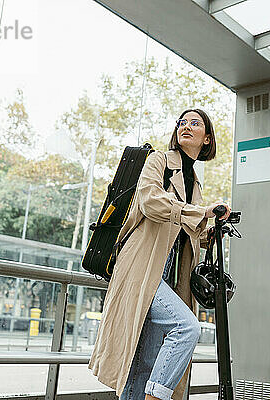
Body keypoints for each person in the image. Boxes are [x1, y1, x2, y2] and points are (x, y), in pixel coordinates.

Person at [88, 109, 231, 400]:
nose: (185, 127)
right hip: (143, 267)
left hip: (169, 275)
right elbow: (150, 201)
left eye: (194, 123)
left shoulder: (194, 181)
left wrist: (210, 231)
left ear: (206, 139)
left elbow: (184, 229)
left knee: (144, 362)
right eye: (182, 122)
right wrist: (199, 211)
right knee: (187, 328)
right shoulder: (160, 161)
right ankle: (157, 397)